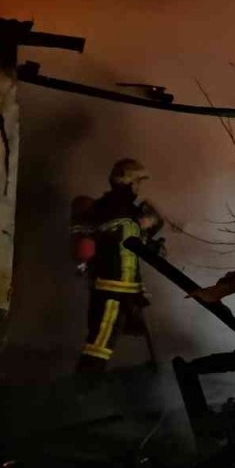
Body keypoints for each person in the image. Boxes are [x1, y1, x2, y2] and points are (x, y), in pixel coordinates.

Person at [71, 158, 164, 376]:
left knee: (113, 340)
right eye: (137, 182)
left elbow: (126, 246)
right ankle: (84, 388)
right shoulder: (120, 212)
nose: (138, 187)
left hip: (126, 290)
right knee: (99, 344)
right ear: (129, 183)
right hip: (113, 291)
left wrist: (151, 244)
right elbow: (122, 243)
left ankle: (141, 387)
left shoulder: (114, 210)